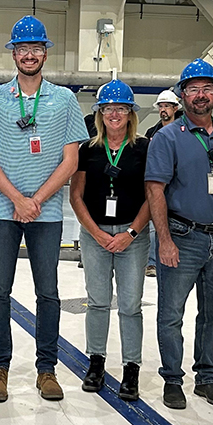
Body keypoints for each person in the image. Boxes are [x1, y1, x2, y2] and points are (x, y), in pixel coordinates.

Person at [0, 15, 90, 402]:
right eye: (22, 49)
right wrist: (18, 200)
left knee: (48, 292)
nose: (28, 55)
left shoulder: (65, 100)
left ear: (44, 54)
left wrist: (35, 201)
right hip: (2, 210)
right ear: (14, 54)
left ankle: (47, 369)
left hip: (47, 213)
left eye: (35, 49)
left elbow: (70, 160)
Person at [145, 59, 213, 410]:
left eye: (207, 88)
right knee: (171, 313)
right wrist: (164, 239)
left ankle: (207, 377)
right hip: (182, 236)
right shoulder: (167, 137)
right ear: (182, 95)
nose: (201, 95)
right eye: (193, 89)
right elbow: (155, 190)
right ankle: (172, 379)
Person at [69, 80, 151, 401]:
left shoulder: (144, 148)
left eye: (120, 108)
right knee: (98, 301)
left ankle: (131, 369)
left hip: (133, 234)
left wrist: (130, 233)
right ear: (99, 113)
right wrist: (97, 233)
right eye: (108, 109)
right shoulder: (87, 150)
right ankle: (96, 362)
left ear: (131, 113)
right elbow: (76, 196)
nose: (114, 114)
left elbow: (152, 196)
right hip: (95, 235)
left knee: (130, 305)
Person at [145, 89, 182, 278]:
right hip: (157, 183)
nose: (163, 110)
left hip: (178, 184)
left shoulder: (184, 130)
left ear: (175, 108)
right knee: (154, 224)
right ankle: (152, 262)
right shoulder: (152, 132)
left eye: (166, 106)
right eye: (160, 106)